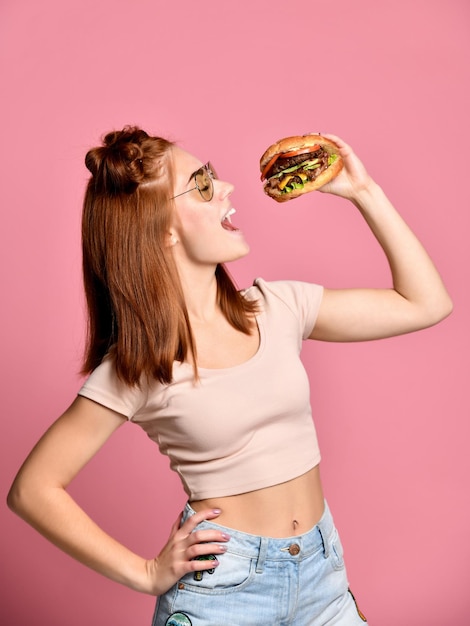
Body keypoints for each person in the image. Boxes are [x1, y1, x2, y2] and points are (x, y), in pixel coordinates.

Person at [7, 126, 452, 626]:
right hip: (224, 593)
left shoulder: (278, 307)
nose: (227, 189)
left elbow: (426, 303)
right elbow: (33, 489)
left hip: (323, 577)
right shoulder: (139, 367)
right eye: (201, 184)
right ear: (162, 229)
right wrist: (146, 572)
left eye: (213, 176)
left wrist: (363, 192)